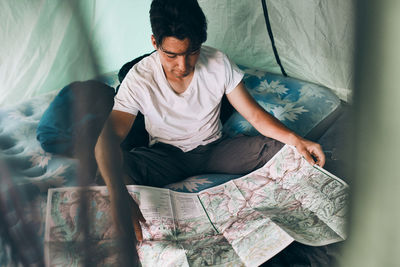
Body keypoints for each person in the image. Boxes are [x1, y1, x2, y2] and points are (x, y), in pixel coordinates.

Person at [94, 0, 325, 263]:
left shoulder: (218, 63)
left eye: (192, 51)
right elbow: (106, 141)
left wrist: (297, 140)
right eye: (171, 55)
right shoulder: (139, 77)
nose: (182, 65)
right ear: (154, 43)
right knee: (106, 175)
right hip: (164, 155)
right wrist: (117, 193)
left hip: (215, 148)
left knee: (289, 153)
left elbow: (255, 116)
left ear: (201, 42)